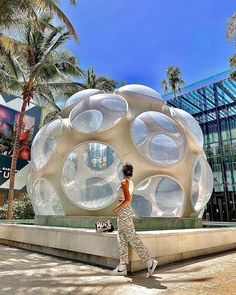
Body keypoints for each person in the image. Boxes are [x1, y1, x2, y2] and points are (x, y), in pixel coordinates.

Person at [111, 163, 158, 277]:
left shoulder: (123, 182)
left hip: (123, 212)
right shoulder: (131, 182)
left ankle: (149, 260)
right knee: (121, 237)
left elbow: (127, 199)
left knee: (132, 237)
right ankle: (122, 266)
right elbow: (129, 199)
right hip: (125, 212)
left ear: (122, 172)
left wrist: (116, 208)